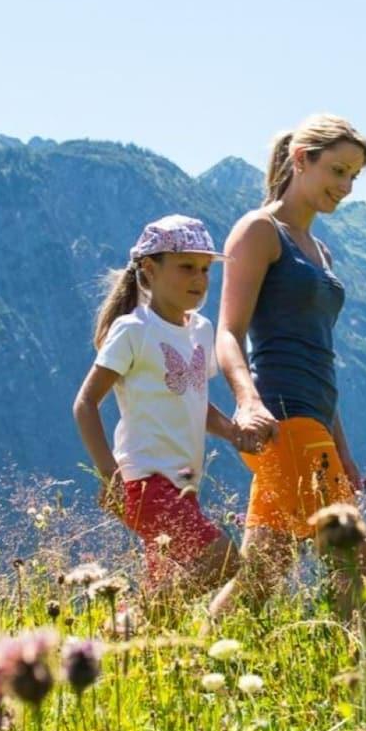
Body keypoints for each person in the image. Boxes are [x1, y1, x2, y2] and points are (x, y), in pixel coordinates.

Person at [208, 114, 366, 615]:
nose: (346, 187)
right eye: (338, 171)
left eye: (354, 176)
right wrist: (247, 401)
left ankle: (193, 655)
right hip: (282, 418)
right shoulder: (260, 231)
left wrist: (342, 448)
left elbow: (318, 355)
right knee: (357, 561)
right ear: (302, 159)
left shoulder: (321, 252)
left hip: (314, 420)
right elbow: (228, 332)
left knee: (263, 572)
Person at [73, 215, 255, 600]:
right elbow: (86, 404)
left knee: (167, 588)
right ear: (150, 269)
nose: (199, 278)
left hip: (184, 485)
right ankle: (142, 618)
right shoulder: (133, 330)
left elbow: (194, 398)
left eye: (205, 269)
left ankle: (131, 629)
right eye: (186, 267)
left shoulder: (201, 330)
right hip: (144, 482)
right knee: (223, 560)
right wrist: (110, 476)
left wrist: (232, 431)